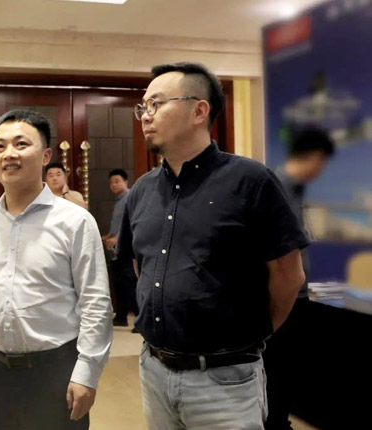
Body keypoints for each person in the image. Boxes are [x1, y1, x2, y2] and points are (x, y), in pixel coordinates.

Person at [117, 62, 308, 429]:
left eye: (157, 103)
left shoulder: (250, 181)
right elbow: (143, 267)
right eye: (143, 106)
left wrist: (251, 337)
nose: (145, 116)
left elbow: (288, 275)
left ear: (199, 110)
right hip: (154, 370)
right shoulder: (141, 191)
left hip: (225, 379)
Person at [0, 109, 113, 430]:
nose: (9, 154)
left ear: (46, 156)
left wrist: (87, 373)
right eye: (0, 146)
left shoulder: (75, 221)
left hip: (56, 369)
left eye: (21, 144)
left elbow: (95, 303)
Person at [263, 126, 334, 430]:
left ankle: (278, 420)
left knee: (286, 368)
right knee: (276, 367)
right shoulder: (275, 187)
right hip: (280, 297)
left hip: (298, 295)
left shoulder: (295, 190)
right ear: (316, 157)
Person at [101, 169, 138, 330]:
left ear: (126, 182)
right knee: (119, 282)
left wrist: (116, 239)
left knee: (130, 283)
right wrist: (108, 236)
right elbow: (117, 224)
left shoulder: (130, 197)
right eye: (111, 183)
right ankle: (121, 317)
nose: (113, 185)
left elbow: (130, 222)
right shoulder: (119, 200)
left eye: (117, 181)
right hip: (116, 245)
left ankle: (139, 319)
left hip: (126, 246)